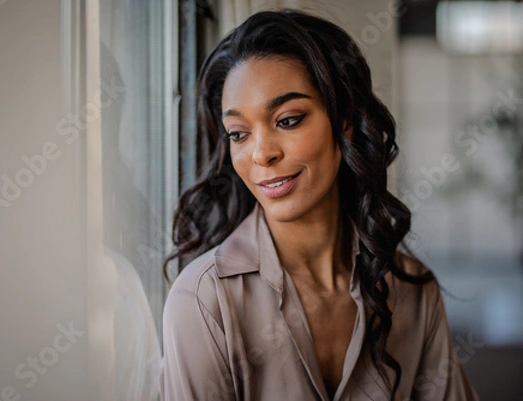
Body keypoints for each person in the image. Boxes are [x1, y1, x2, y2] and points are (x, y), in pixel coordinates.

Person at [160, 9, 479, 401]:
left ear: (345, 120)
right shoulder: (203, 302)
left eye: (288, 120)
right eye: (239, 133)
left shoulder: (414, 293)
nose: (261, 154)